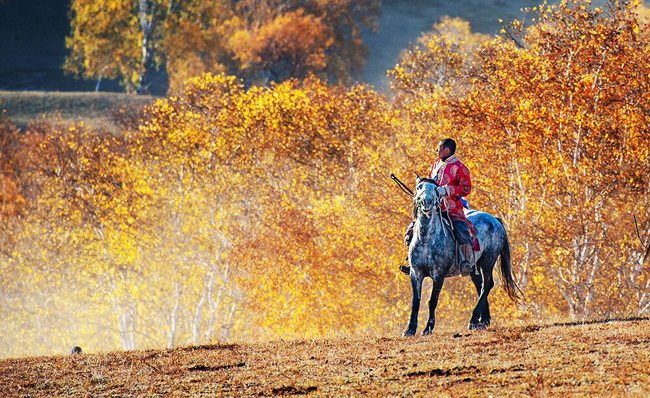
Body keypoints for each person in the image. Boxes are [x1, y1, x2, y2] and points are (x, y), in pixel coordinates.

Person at [399, 138, 474, 276]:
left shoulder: (460, 167)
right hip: (433, 207)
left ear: (447, 150)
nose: (436, 150)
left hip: (451, 208)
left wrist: (447, 190)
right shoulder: (435, 165)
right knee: (412, 229)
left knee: (461, 230)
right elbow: (430, 183)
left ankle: (465, 262)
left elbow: (466, 188)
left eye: (438, 148)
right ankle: (412, 261)